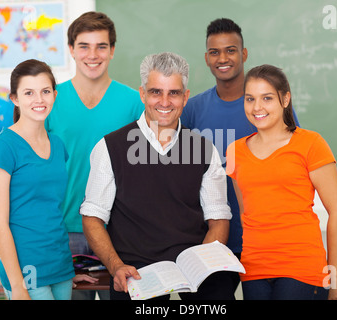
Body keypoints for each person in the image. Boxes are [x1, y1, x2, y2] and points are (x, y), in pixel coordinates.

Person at [80, 52, 234, 300]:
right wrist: (116, 266)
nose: (164, 102)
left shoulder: (205, 150)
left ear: (185, 97)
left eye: (173, 93)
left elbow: (218, 220)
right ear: (142, 94)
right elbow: (92, 218)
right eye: (155, 92)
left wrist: (202, 267)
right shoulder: (110, 147)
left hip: (192, 266)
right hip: (136, 271)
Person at [180, 18, 301, 294]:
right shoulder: (193, 109)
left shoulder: (267, 107)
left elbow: (293, 162)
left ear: (244, 54)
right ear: (207, 59)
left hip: (263, 239)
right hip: (212, 239)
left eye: (231, 50)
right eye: (215, 52)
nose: (223, 58)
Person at [226, 64, 337, 300]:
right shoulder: (234, 152)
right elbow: (246, 213)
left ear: (285, 99)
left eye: (267, 98)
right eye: (250, 99)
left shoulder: (311, 143)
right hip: (254, 270)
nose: (257, 107)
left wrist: (334, 280)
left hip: (302, 268)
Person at [45, 11, 144, 299]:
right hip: (65, 229)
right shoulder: (49, 100)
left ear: (112, 51)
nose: (93, 54)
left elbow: (145, 172)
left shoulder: (134, 103)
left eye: (101, 46)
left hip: (120, 230)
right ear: (72, 50)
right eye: (84, 46)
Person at [0, 59, 75, 300]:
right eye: (29, 92)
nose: (39, 99)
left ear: (54, 95)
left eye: (45, 91)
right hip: (26, 271)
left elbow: (52, 209)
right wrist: (17, 286)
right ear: (14, 98)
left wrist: (71, 268)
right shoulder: (3, 147)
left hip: (60, 265)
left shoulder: (57, 144)